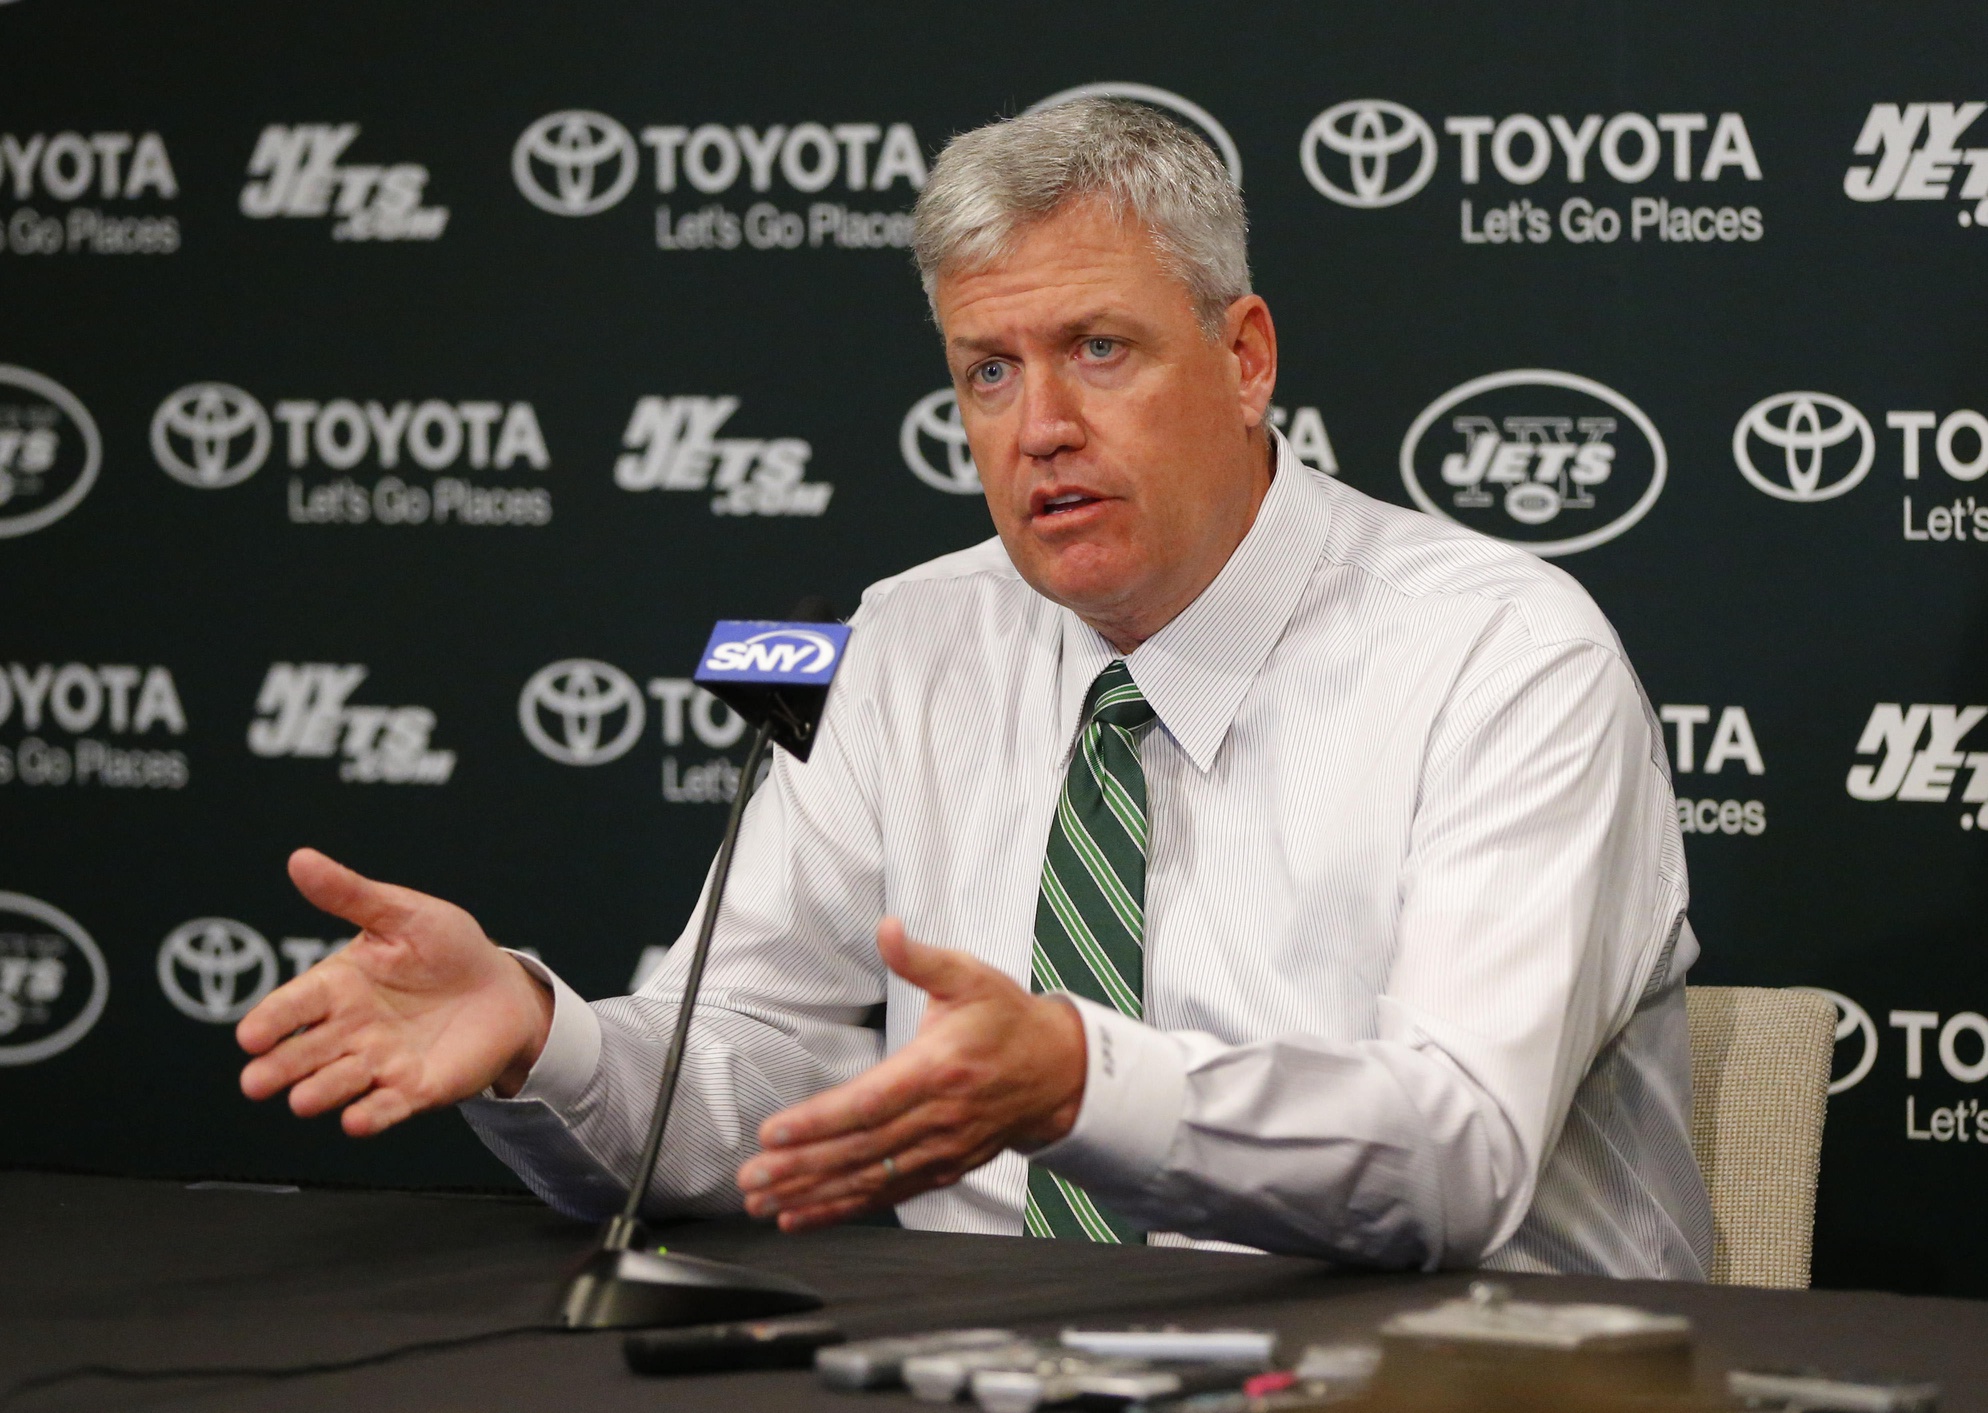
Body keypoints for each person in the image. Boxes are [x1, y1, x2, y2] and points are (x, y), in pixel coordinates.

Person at [237, 98, 1712, 1277]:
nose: (1042, 427)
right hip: (987, 1367)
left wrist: (1081, 1081)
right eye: (987, 372)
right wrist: (541, 1030)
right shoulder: (906, 641)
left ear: (1246, 356)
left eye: (1099, 350)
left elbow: (1457, 1158)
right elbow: (752, 1071)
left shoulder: (1504, 654)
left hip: (1461, 1380)